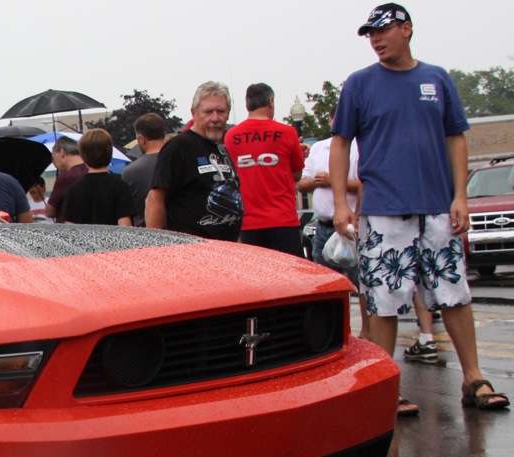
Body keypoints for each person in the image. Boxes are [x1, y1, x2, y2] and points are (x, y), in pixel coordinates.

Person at [330, 2, 508, 413]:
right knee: (384, 300)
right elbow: (341, 142)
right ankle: (384, 384)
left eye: (382, 31)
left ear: (406, 29)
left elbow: (456, 137)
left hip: (436, 208)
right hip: (384, 210)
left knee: (455, 294)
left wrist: (459, 195)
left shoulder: (436, 78)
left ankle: (474, 378)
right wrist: (342, 203)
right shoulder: (359, 84)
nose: (375, 39)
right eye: (370, 34)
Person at [145, 82, 242, 240]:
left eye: (221, 111)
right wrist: (154, 248)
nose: (215, 118)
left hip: (227, 251)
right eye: (208, 112)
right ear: (194, 113)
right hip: (192, 251)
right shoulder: (179, 147)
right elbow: (154, 198)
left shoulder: (222, 149)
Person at [300, 116, 369, 339]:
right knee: (327, 285)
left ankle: (367, 332)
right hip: (323, 228)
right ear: (330, 120)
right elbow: (301, 183)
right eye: (335, 119)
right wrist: (314, 182)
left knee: (361, 283)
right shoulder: (319, 148)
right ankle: (334, 334)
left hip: (351, 227)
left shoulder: (360, 146)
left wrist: (334, 181)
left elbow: (363, 183)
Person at [224, 83, 306, 256]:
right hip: (283, 221)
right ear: (271, 101)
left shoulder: (231, 136)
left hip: (247, 223)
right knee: (291, 278)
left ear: (247, 104)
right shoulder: (287, 132)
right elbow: (297, 174)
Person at [61, 129, 133, 226]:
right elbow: (125, 225)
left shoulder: (74, 189)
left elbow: (69, 226)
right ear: (110, 153)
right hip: (112, 240)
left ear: (82, 155)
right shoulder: (120, 186)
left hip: (84, 240)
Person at [121, 113, 168, 226]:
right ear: (164, 134)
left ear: (142, 139)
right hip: (181, 233)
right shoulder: (179, 162)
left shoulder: (130, 171)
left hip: (145, 234)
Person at [44, 136, 86, 222]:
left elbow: (49, 211)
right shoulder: (93, 170)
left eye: (53, 158)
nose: (54, 163)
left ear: (62, 153)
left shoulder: (66, 177)